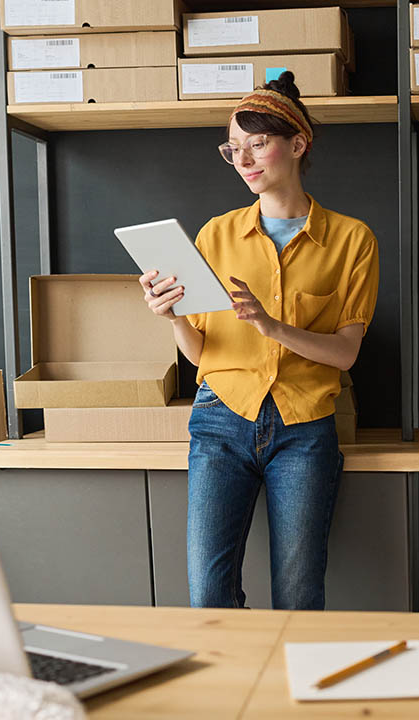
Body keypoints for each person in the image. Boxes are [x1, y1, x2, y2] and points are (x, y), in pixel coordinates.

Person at [139, 72, 379, 610]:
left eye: (258, 144)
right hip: (220, 418)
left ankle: (284, 692)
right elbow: (201, 352)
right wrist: (173, 317)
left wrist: (272, 326)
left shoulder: (351, 239)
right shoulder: (214, 236)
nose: (245, 160)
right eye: (234, 149)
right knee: (209, 593)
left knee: (298, 593)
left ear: (297, 144)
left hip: (304, 428)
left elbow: (345, 353)